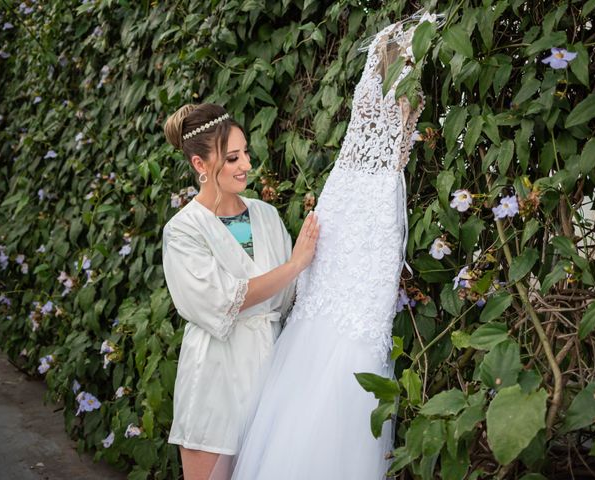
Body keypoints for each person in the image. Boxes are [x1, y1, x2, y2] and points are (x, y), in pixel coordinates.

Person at [231, 18, 426, 480]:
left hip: (355, 205)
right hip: (357, 210)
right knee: (332, 331)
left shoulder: (381, 71)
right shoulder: (396, 71)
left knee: (343, 338)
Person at [161, 103, 319, 480]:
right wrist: (294, 265)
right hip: (214, 380)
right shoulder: (184, 231)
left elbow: (288, 299)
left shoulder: (266, 216)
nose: (246, 164)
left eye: (245, 152)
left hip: (270, 377)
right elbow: (222, 300)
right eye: (232, 157)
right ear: (201, 165)